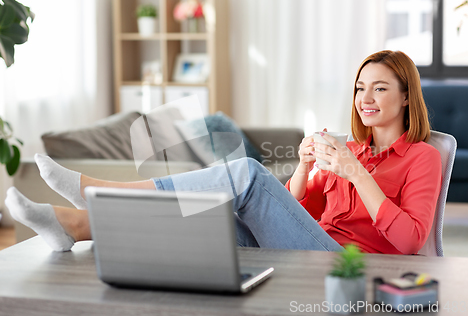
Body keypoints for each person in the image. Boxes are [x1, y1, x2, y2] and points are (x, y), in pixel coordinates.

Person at [5, 50, 441, 255]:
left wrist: (358, 176)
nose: (366, 98)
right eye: (361, 87)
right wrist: (307, 170)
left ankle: (97, 191)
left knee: (247, 173)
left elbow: (409, 240)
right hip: (309, 243)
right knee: (204, 218)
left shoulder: (422, 157)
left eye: (380, 88)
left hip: (349, 266)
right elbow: (296, 210)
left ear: (406, 97)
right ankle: (78, 225)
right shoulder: (347, 150)